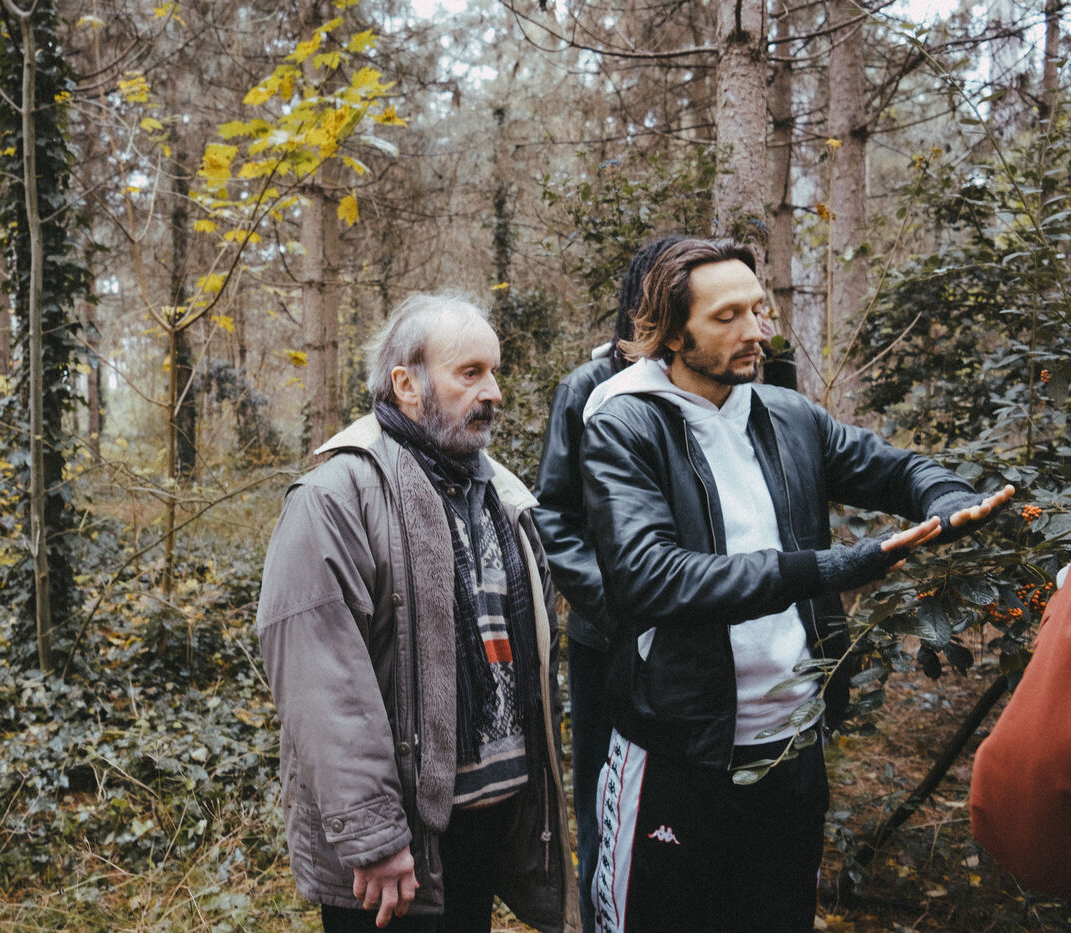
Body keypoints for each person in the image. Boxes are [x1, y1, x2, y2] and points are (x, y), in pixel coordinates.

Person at [578, 238, 1013, 932]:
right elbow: (650, 578)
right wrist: (827, 567)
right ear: (673, 333)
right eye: (727, 316)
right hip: (678, 754)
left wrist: (946, 497)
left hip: (791, 752)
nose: (755, 330)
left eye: (758, 310)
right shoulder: (625, 424)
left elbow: (895, 469)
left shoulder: (788, 416)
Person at [256, 293, 574, 932]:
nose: (494, 392)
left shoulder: (501, 495)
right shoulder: (335, 498)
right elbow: (323, 688)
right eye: (470, 373)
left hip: (484, 826)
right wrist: (374, 837)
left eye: (494, 372)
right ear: (406, 384)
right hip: (396, 847)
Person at [531, 234, 682, 931]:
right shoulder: (586, 388)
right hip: (608, 642)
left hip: (703, 641)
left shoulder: (732, 385)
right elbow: (556, 518)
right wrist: (621, 611)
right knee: (605, 796)